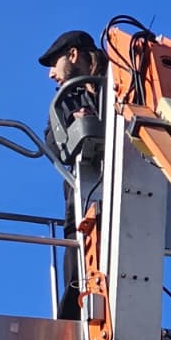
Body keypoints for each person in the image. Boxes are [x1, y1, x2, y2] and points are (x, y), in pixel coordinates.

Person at [37, 30, 107, 318]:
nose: (51, 74)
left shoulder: (121, 87)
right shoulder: (66, 100)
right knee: (77, 272)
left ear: (73, 55)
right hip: (81, 205)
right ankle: (75, 320)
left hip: (131, 194)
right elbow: (54, 144)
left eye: (54, 63)